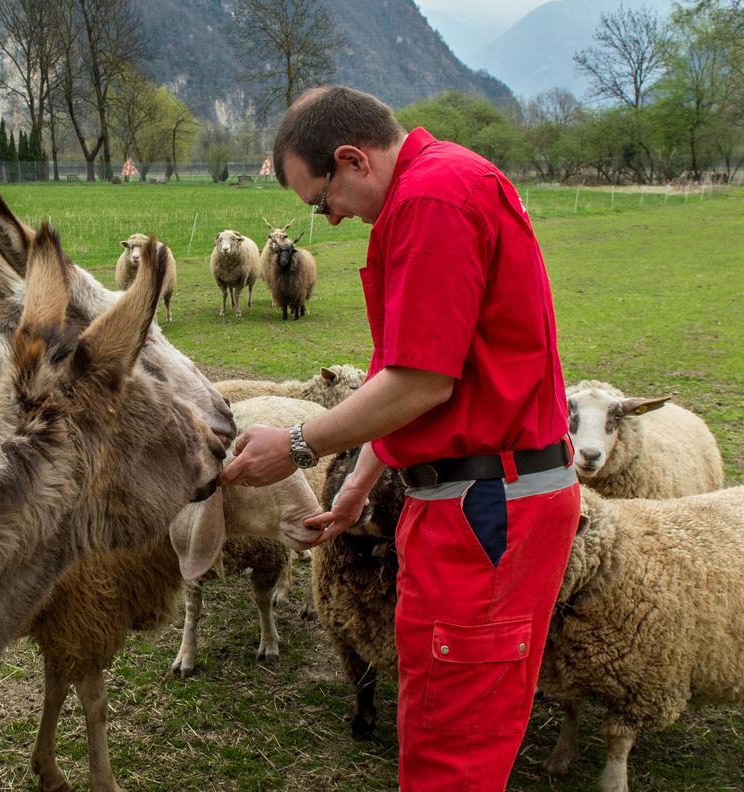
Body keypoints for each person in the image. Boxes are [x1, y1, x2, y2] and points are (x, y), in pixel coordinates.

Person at [219, 85, 580, 791]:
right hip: (459, 501)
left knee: (456, 751)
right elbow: (414, 368)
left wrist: (297, 443)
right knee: (434, 715)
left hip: (486, 508)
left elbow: (422, 382)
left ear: (352, 159)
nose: (332, 218)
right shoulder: (438, 188)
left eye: (321, 202)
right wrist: (358, 484)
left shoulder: (433, 200)